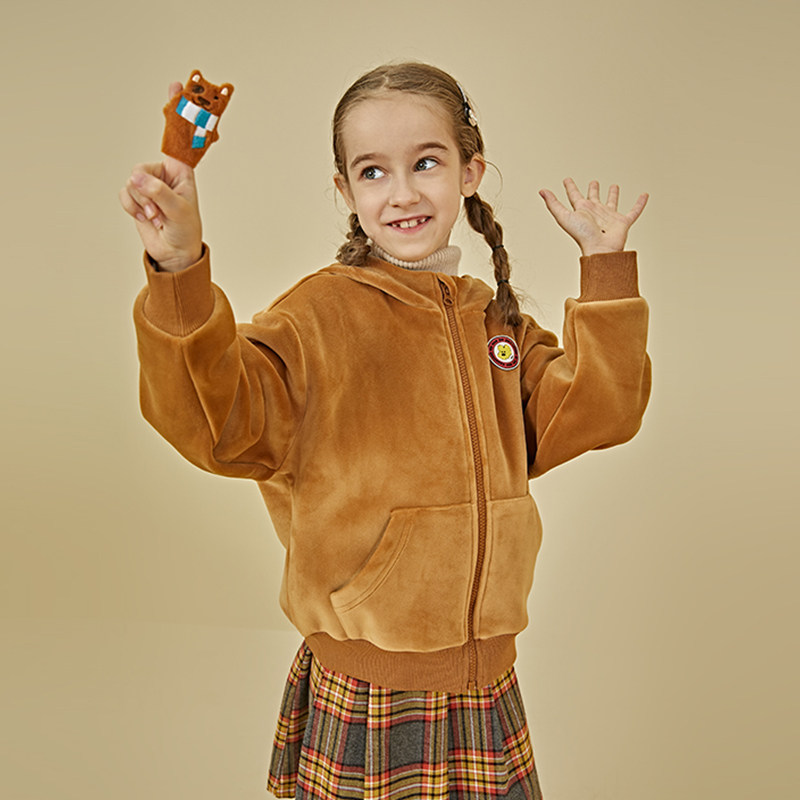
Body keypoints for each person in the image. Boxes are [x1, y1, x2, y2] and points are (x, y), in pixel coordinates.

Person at [120, 62, 651, 800]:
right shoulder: (317, 317)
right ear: (345, 191)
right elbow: (216, 420)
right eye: (373, 171)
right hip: (368, 692)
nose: (401, 192)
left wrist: (605, 270)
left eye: (426, 162)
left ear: (471, 172)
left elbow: (601, 410)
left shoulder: (494, 320)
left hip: (486, 682)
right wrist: (178, 267)